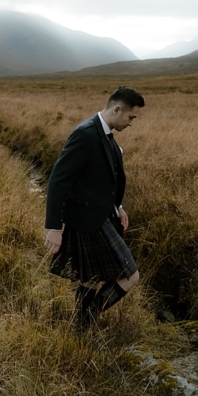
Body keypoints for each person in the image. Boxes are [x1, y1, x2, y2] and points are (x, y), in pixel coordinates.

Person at [44, 86, 144, 333]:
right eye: (131, 117)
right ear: (117, 109)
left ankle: (80, 328)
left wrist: (117, 207)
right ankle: (88, 318)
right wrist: (54, 227)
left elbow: (101, 179)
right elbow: (58, 180)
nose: (131, 123)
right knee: (130, 276)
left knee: (89, 278)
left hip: (101, 215)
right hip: (87, 218)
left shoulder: (105, 134)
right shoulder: (86, 134)